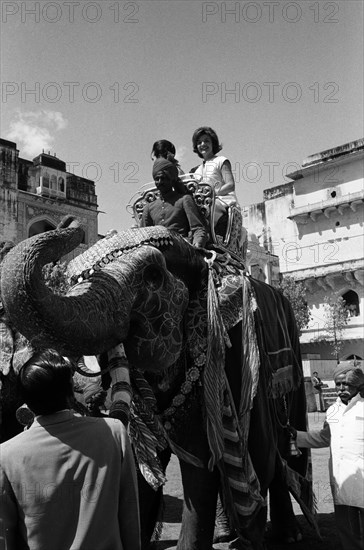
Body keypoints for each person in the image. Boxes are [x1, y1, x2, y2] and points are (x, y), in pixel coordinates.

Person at [0, 349, 141, 550]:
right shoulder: (113, 433)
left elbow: (4, 537)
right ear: (71, 392)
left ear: (26, 400)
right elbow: (129, 515)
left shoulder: (6, 456)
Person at [294, 364, 364, 550]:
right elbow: (324, 438)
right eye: (338, 384)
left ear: (358, 385)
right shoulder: (333, 410)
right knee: (346, 526)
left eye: (346, 384)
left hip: (363, 476)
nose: (341, 388)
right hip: (341, 477)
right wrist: (296, 436)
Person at [141, 157, 208, 248]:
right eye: (157, 179)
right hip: (157, 250)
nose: (160, 182)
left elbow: (198, 229)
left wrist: (197, 246)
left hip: (181, 248)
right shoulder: (149, 207)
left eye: (163, 178)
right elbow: (143, 235)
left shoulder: (184, 199)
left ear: (172, 180)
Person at [191, 126, 240, 237]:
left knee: (206, 209)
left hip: (221, 201)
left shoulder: (221, 160)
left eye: (206, 141)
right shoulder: (197, 170)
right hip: (205, 202)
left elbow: (230, 185)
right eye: (199, 142)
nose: (203, 144)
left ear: (213, 143)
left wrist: (213, 194)